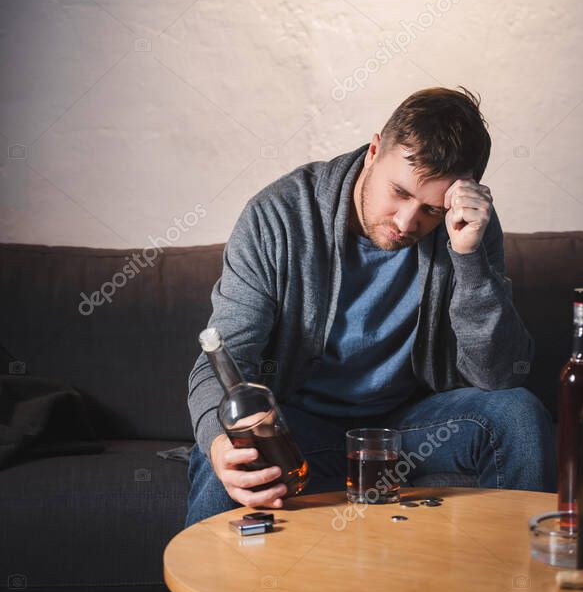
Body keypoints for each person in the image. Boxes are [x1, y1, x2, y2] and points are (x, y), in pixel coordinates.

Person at [182, 86, 555, 564]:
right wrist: (219, 442)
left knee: (519, 414)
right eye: (399, 192)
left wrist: (469, 260)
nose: (406, 221)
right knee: (232, 456)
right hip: (298, 432)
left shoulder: (467, 227)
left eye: (430, 210)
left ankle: (521, 589)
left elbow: (499, 377)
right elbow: (222, 361)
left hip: (407, 430)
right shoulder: (277, 215)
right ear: (375, 149)